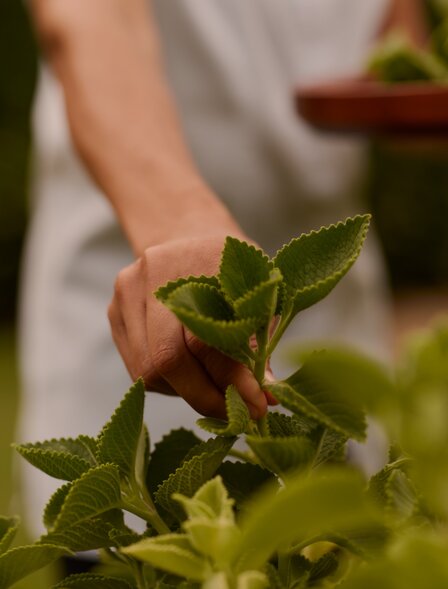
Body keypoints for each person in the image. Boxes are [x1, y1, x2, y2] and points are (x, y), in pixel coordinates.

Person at [17, 0, 425, 537]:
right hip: (144, 343)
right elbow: (90, 22)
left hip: (335, 352)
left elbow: (397, 43)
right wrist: (179, 225)